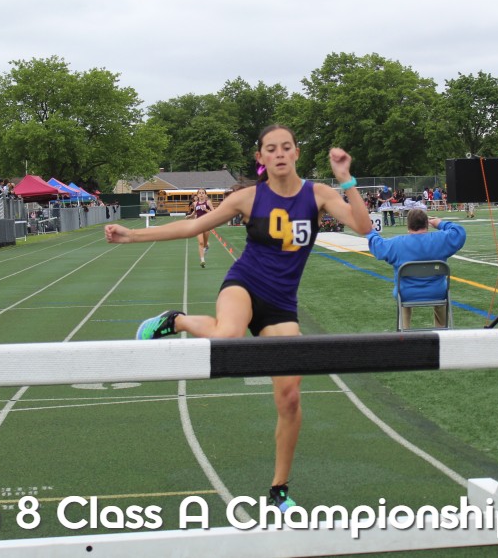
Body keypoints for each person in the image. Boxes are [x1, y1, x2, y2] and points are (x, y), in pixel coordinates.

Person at [104, 124, 372, 511]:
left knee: (290, 397)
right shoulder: (247, 198)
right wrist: (131, 236)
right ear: (260, 158)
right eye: (271, 149)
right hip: (244, 284)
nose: (279, 154)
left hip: (281, 305)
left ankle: (279, 489)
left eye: (286, 147)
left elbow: (363, 226)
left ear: (296, 153)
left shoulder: (318, 195)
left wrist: (346, 179)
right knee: (228, 337)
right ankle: (176, 321)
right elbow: (192, 226)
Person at [367, 208, 466, 328]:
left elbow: (377, 247)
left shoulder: (397, 244)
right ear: (426, 224)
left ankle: (404, 330)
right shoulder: (440, 240)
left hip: (406, 293)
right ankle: (442, 329)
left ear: (408, 225)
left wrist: (371, 232)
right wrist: (440, 223)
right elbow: (460, 233)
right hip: (437, 291)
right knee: (441, 299)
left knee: (402, 295)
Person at [186, 188, 214, 268]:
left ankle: (207, 245)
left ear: (205, 195)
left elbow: (214, 212)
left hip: (207, 224)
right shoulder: (195, 203)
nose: (201, 194)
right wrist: (189, 216)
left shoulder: (208, 202)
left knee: (205, 243)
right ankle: (202, 260)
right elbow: (194, 212)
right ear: (197, 195)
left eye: (203, 193)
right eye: (200, 193)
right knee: (201, 242)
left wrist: (206, 209)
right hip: (198, 224)